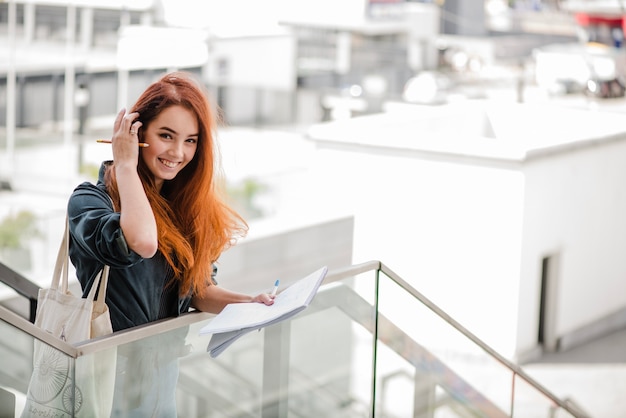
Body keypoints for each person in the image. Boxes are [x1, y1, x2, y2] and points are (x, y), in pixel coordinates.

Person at [67, 71, 274, 416]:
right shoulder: (90, 201)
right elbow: (142, 242)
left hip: (162, 376)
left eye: (191, 140)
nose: (178, 152)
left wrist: (251, 302)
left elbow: (198, 291)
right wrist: (126, 166)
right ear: (137, 132)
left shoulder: (182, 209)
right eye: (166, 135)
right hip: (106, 379)